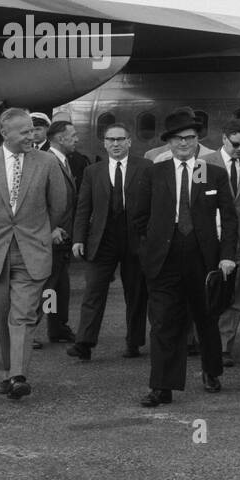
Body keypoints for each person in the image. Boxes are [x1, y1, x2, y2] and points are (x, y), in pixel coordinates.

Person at [0, 107, 70, 399]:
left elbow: (59, 205)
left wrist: (38, 230)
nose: (31, 136)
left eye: (33, 131)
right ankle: (4, 372)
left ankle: (19, 375)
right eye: (23, 131)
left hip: (31, 252)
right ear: (4, 132)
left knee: (23, 316)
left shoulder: (46, 162)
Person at [131, 109, 238, 405]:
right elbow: (138, 218)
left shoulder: (211, 172)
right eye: (178, 138)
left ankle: (211, 370)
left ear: (197, 141)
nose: (184, 143)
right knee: (165, 322)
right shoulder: (154, 172)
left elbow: (229, 219)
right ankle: (162, 386)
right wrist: (147, 252)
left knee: (206, 319)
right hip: (164, 259)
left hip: (203, 259)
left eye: (190, 138)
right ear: (168, 142)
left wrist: (227, 256)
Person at [67, 124, 151, 360]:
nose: (115, 144)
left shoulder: (145, 168)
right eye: (110, 140)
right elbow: (83, 207)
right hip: (102, 239)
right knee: (93, 291)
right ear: (104, 143)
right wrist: (78, 239)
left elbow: (155, 204)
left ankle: (134, 342)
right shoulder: (93, 172)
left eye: (120, 139)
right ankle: (84, 343)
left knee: (136, 294)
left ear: (129, 142)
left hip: (135, 238)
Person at [205, 117, 240, 368]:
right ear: (224, 138)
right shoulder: (204, 164)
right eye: (235, 144)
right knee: (206, 289)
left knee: (234, 294)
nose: (239, 149)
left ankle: (225, 347)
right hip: (208, 237)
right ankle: (202, 340)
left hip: (238, 238)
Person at [42, 119, 87, 345]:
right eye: (73, 135)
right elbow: (37, 199)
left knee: (59, 285)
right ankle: (28, 329)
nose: (77, 139)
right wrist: (50, 228)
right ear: (60, 138)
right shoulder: (47, 161)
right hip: (53, 236)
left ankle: (58, 327)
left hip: (64, 236)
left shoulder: (63, 161)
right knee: (45, 285)